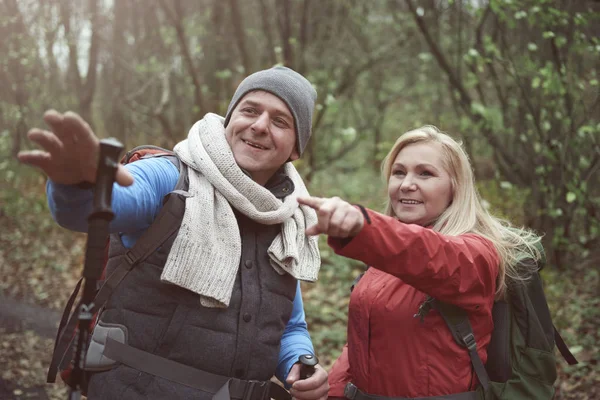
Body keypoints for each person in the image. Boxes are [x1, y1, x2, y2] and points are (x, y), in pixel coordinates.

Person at [18, 66, 329, 400]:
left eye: (280, 121)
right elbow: (96, 207)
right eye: (250, 110)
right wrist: (77, 183)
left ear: (296, 148)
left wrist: (298, 362)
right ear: (229, 120)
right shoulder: (170, 177)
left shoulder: (290, 220)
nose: (259, 125)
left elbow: (288, 323)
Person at [297, 126, 542, 399]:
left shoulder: (477, 254)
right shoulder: (382, 258)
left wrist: (362, 226)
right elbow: (362, 345)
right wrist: (331, 392)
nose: (406, 184)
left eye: (425, 173)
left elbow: (431, 256)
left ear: (455, 187)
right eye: (399, 172)